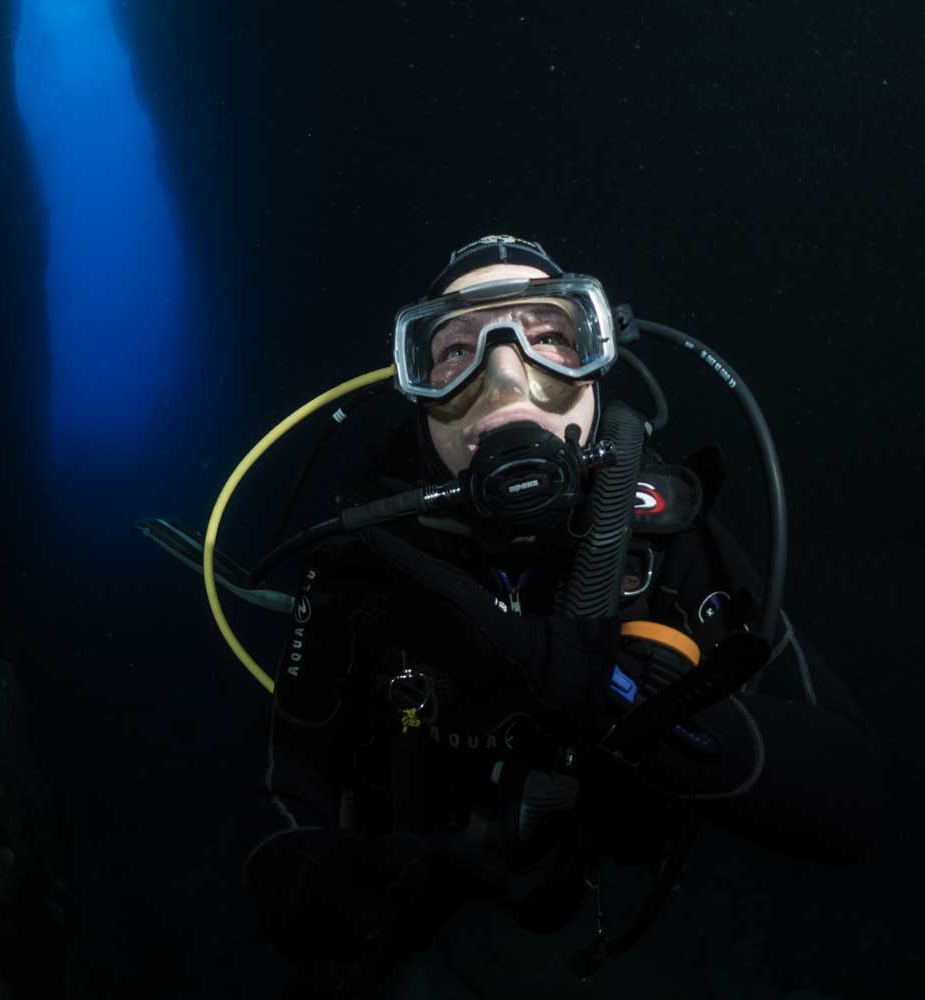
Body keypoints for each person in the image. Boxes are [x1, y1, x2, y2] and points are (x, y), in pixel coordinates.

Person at [240, 235, 884, 997]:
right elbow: (299, 789)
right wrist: (321, 885)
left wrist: (619, 697)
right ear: (414, 388)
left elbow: (855, 798)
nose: (506, 378)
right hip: (432, 861)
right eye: (453, 352)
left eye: (549, 337)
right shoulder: (366, 559)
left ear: (599, 358)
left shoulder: (666, 534)